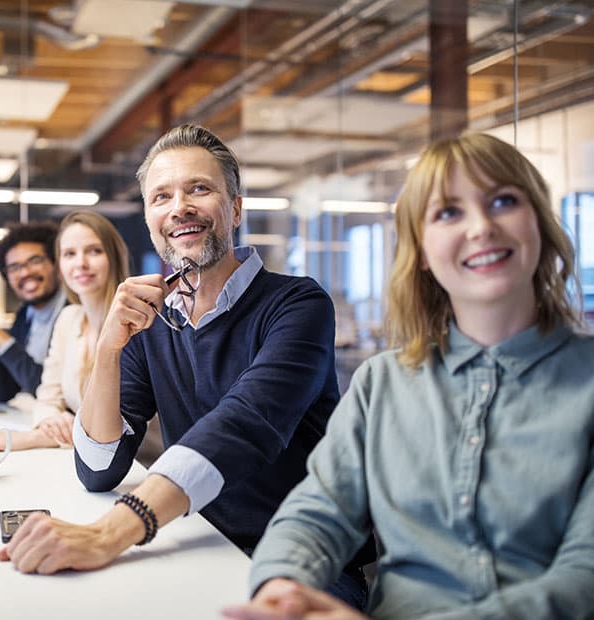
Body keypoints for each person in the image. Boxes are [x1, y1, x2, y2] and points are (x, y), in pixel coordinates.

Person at [0, 124, 370, 608]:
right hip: (199, 540)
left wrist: (110, 533)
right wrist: (109, 348)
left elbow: (245, 425)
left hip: (302, 559)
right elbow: (98, 468)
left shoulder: (297, 303)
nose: (180, 208)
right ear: (152, 220)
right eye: (161, 197)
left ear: (235, 208)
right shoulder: (151, 320)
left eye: (200, 189)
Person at [223, 133, 594, 620]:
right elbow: (317, 514)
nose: (481, 227)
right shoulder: (382, 385)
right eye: (448, 212)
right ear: (419, 249)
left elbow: (582, 580)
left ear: (539, 223)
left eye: (503, 201)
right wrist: (282, 588)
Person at [7, 210, 130, 450]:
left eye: (94, 251)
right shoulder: (69, 319)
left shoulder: (136, 321)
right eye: (69, 254)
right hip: (88, 462)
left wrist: (31, 439)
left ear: (113, 257)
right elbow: (47, 398)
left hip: (142, 466)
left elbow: (118, 428)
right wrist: (50, 419)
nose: (80, 263)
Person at [0, 221, 66, 402]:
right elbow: (5, 391)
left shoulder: (73, 311)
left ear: (56, 264)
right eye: (14, 267)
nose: (25, 272)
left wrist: (4, 343)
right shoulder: (25, 315)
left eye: (35, 261)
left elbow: (53, 389)